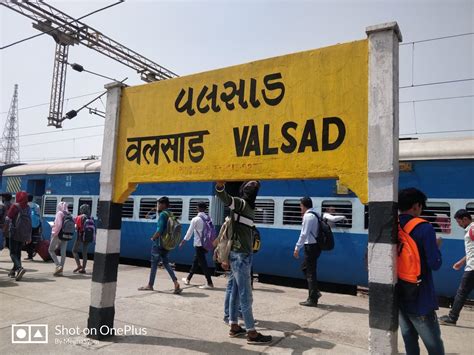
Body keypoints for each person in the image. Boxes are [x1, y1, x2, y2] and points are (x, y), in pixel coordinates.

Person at [216, 180, 272, 344]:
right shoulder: (240, 203)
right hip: (241, 256)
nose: (253, 189)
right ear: (244, 191)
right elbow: (225, 198)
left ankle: (234, 326)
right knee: (245, 295)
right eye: (250, 187)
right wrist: (220, 187)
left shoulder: (248, 206)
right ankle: (252, 333)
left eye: (255, 187)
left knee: (234, 291)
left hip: (239, 255)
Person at [398, 187, 444, 355]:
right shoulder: (424, 227)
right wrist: (437, 248)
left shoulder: (391, 225)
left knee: (409, 341)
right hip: (421, 297)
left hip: (400, 295)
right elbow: (435, 263)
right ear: (416, 206)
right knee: (434, 346)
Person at [138, 196, 182, 294]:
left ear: (163, 204)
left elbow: (160, 229)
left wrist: (153, 237)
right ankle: (175, 283)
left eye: (158, 204)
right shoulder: (170, 213)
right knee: (166, 263)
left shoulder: (163, 214)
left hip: (159, 243)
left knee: (154, 264)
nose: (157, 206)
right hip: (167, 243)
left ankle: (150, 285)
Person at [439, 209, 474, 326]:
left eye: (459, 222)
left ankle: (452, 318)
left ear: (465, 219)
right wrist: (461, 261)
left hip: (472, 268)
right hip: (471, 266)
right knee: (462, 292)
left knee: (461, 292)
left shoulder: (472, 229)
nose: (458, 224)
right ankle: (452, 317)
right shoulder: (470, 229)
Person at [293, 197, 322, 307]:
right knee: (305, 268)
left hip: (310, 246)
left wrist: (297, 248)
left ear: (304, 205)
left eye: (300, 206)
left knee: (310, 272)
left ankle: (312, 299)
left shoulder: (308, 216)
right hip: (315, 246)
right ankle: (315, 292)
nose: (300, 208)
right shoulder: (315, 214)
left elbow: (304, 234)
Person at [179, 201, 214, 288]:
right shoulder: (209, 218)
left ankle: (210, 283)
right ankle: (188, 279)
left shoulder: (195, 219)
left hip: (198, 244)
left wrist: (184, 240)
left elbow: (189, 232)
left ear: (198, 208)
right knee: (196, 261)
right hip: (206, 244)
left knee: (203, 263)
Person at [6, 191, 31, 281]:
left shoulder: (15, 206)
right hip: (23, 233)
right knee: (18, 252)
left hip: (14, 232)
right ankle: (13, 271)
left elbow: (8, 218)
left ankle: (20, 268)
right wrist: (29, 236)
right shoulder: (28, 207)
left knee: (12, 253)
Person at [48, 201, 71, 276]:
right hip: (66, 235)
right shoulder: (68, 214)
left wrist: (54, 231)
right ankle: (61, 269)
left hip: (58, 234)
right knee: (63, 252)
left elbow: (58, 225)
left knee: (51, 250)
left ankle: (58, 266)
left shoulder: (59, 213)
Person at [73, 204, 94, 274]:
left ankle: (79, 265)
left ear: (82, 210)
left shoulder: (79, 217)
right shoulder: (91, 217)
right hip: (88, 236)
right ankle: (83, 269)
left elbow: (76, 228)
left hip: (80, 236)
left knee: (74, 250)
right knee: (85, 252)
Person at [25, 194, 41, 260]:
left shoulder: (25, 206)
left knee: (27, 240)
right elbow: (39, 216)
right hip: (35, 225)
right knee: (33, 240)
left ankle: (29, 255)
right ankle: (31, 254)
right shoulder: (36, 206)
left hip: (27, 225)